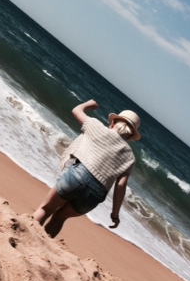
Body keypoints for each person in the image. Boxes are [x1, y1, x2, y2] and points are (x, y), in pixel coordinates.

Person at [34, 99, 141, 237]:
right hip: (94, 195)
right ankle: (44, 243)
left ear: (113, 123)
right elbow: (120, 186)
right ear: (130, 136)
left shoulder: (96, 126)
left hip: (76, 177)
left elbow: (76, 111)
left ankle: (27, 235)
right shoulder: (130, 157)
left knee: (46, 208)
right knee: (60, 217)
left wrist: (88, 104)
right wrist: (115, 215)